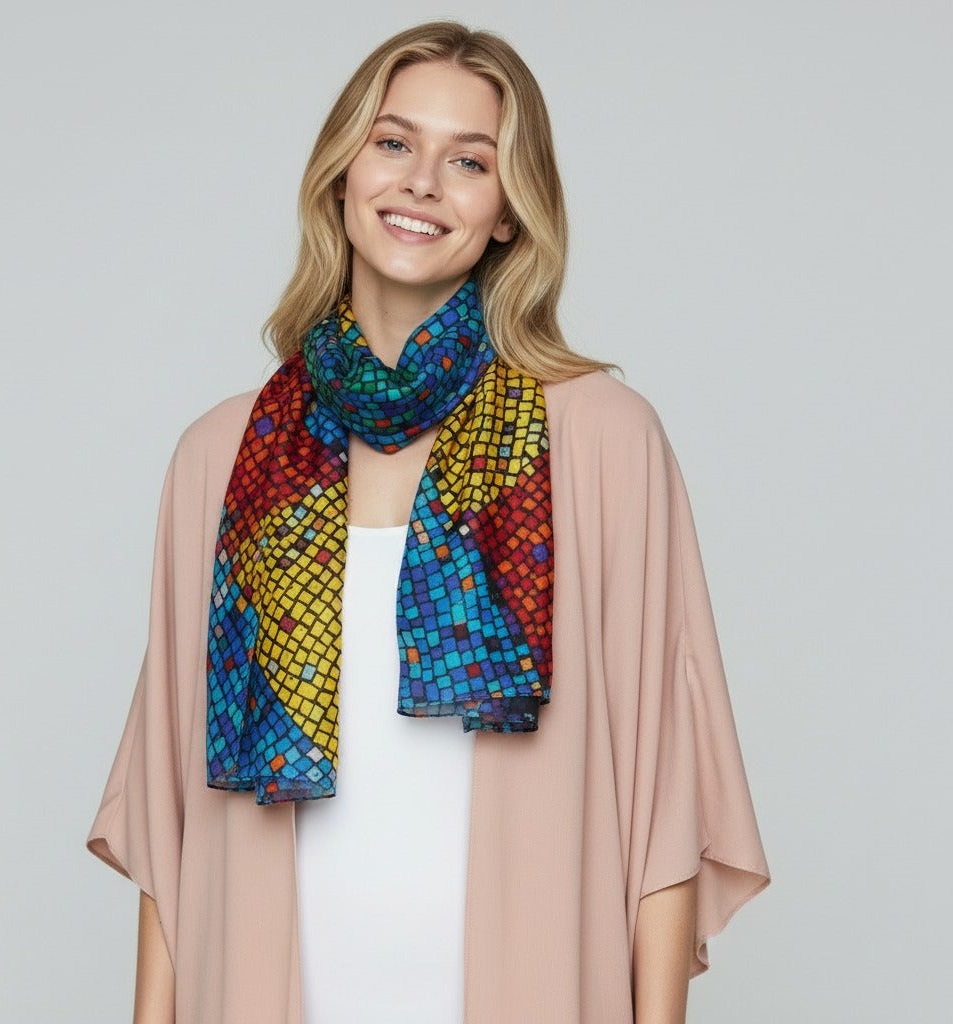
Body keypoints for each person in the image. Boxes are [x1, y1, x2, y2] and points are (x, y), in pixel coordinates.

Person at [85, 20, 770, 1024]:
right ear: (342, 172)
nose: (421, 182)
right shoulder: (224, 456)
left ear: (508, 213)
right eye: (394, 142)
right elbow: (170, 810)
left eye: (469, 161)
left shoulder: (598, 440)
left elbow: (665, 786)